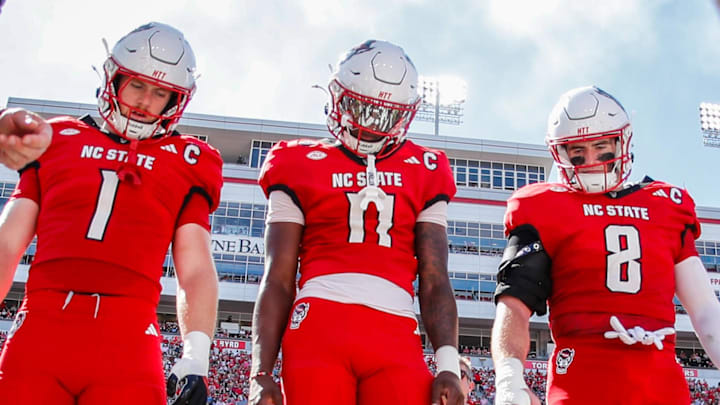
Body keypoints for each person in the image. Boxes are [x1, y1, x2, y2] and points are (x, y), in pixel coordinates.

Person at [0, 22, 222, 405]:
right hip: (42, 321)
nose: (145, 101)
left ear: (175, 100)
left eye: (160, 92)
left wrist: (196, 354)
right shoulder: (56, 138)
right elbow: (7, 241)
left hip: (129, 334)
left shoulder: (190, 160)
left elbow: (196, 267)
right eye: (136, 84)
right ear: (112, 77)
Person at [250, 39, 463, 405]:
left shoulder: (427, 167)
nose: (370, 125)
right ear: (338, 96)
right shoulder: (297, 161)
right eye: (360, 108)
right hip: (320, 324)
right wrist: (261, 372)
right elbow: (279, 278)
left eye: (384, 114)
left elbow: (435, 278)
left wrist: (448, 363)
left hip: (395, 329)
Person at [491, 85, 720, 405]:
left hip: (659, 381)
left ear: (621, 141)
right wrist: (509, 377)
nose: (591, 162)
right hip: (583, 381)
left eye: (601, 149)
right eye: (578, 153)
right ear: (561, 154)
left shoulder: (667, 205)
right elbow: (514, 304)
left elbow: (707, 312)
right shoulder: (543, 205)